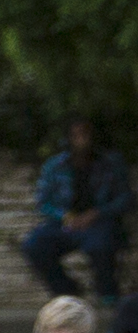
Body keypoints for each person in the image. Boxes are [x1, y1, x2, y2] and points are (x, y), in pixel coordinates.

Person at [28, 120, 128, 301]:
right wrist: (64, 215)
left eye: (85, 134)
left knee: (102, 245)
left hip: (99, 222)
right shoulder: (55, 166)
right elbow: (43, 202)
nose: (82, 140)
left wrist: (97, 213)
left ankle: (107, 295)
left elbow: (125, 198)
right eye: (76, 135)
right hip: (66, 224)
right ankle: (66, 291)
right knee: (34, 245)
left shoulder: (110, 163)